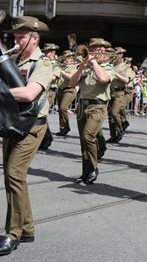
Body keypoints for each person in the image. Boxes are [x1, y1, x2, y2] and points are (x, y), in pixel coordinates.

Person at [0, 16, 52, 256]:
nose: (16, 40)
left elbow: (28, 94)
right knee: (12, 177)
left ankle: (12, 233)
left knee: (15, 173)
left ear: (35, 38)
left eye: (21, 36)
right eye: (15, 36)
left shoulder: (45, 64)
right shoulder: (13, 60)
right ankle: (26, 228)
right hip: (12, 123)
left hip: (33, 126)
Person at [69, 38, 114, 185]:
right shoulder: (85, 67)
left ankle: (94, 168)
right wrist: (81, 67)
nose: (96, 52)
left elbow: (103, 78)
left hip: (98, 106)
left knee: (88, 135)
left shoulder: (107, 67)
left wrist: (94, 63)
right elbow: (71, 82)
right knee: (83, 140)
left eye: (100, 50)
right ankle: (86, 172)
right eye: (94, 49)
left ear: (105, 53)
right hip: (82, 105)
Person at [107, 47, 134, 143]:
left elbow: (127, 80)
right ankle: (113, 135)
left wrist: (115, 74)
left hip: (120, 93)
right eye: (115, 54)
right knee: (110, 115)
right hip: (110, 92)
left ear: (122, 55)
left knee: (114, 112)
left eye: (118, 54)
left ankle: (120, 129)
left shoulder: (125, 67)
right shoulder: (111, 65)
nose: (115, 56)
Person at [39, 43, 61, 150]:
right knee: (40, 114)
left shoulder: (55, 64)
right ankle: (45, 137)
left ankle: (47, 137)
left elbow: (53, 77)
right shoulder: (42, 62)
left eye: (53, 51)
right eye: (49, 51)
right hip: (41, 90)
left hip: (50, 91)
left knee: (43, 114)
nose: (52, 53)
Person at [55, 50, 78, 136]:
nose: (65, 60)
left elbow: (71, 77)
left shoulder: (73, 67)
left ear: (71, 58)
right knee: (60, 110)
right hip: (61, 89)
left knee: (63, 107)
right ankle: (63, 128)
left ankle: (66, 127)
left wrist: (61, 71)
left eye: (67, 58)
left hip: (69, 89)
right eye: (64, 58)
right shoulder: (63, 67)